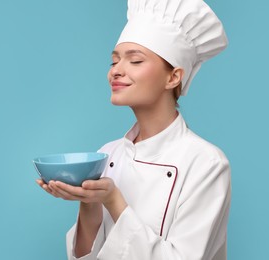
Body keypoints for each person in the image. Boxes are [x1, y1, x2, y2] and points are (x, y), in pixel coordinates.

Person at [37, 0, 231, 259]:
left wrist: (113, 200)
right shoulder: (107, 154)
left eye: (135, 61)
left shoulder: (206, 163)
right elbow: (84, 257)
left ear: (173, 77)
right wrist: (88, 201)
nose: (116, 71)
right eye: (114, 62)